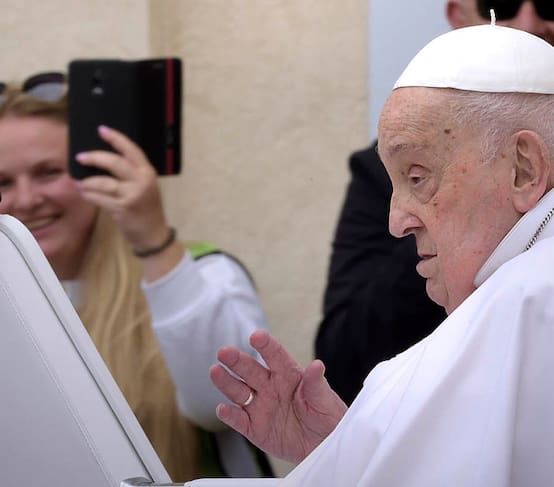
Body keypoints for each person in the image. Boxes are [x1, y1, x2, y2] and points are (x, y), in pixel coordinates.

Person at [211, 23, 554, 485]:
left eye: (417, 176)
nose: (396, 222)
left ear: (523, 169)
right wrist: (350, 449)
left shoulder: (526, 301)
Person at [0, 77, 272, 482]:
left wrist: (154, 242)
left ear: (99, 172)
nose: (28, 198)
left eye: (49, 172)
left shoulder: (202, 271)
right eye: (0, 182)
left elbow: (227, 401)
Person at [315, 0, 554, 404]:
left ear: (525, 169)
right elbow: (344, 357)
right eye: (502, 2)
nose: (528, 24)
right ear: (457, 16)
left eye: (417, 177)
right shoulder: (380, 173)